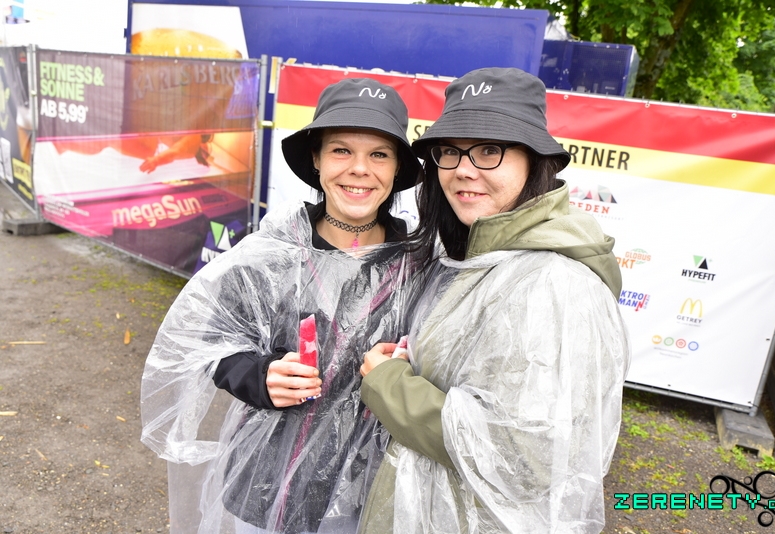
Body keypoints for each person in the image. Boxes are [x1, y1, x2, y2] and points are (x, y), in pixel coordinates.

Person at [140, 77, 422, 534]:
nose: (359, 169)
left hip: (367, 495)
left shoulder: (420, 264)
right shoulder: (271, 254)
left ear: (396, 169)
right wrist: (259, 376)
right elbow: (215, 345)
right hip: (268, 484)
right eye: (341, 151)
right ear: (317, 159)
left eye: (379, 154)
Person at [358, 67, 630, 534]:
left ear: (535, 161)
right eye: (450, 151)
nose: (463, 169)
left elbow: (524, 454)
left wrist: (389, 384)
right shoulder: (478, 256)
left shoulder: (555, 283)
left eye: (489, 150)